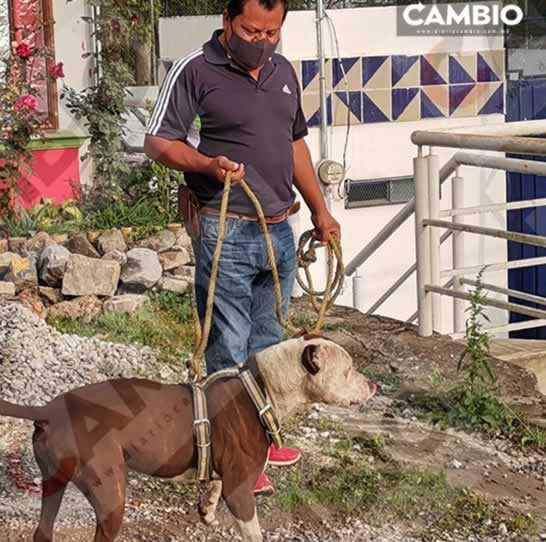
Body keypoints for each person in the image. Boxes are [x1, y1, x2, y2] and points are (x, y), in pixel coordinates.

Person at [144, 0, 342, 496]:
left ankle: (264, 438)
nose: (262, 40)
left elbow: (294, 143)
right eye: (252, 30)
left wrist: (320, 210)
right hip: (226, 225)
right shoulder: (195, 70)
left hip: (279, 228)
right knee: (228, 349)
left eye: (271, 32)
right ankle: (234, 457)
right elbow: (158, 142)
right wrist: (208, 165)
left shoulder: (284, 72)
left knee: (271, 345)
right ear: (228, 22)